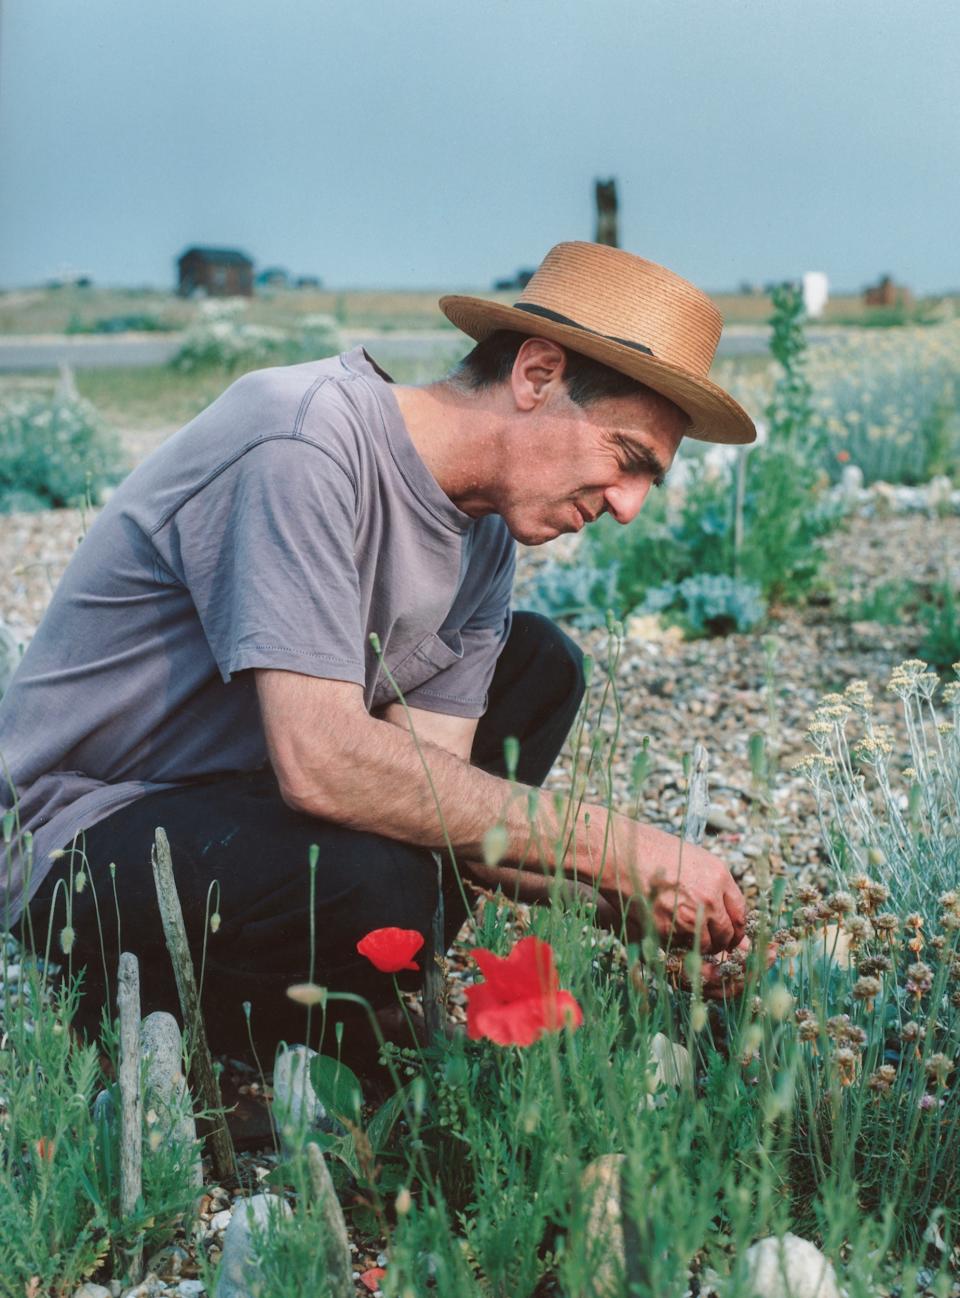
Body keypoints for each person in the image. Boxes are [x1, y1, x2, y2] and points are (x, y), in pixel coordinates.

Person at [0, 241, 756, 1061]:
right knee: (377, 882)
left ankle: (329, 1004)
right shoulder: (302, 438)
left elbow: (440, 810)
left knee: (539, 667)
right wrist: (612, 845)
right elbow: (322, 761)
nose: (630, 505)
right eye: (627, 458)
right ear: (536, 374)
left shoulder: (483, 540)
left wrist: (621, 899)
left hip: (241, 808)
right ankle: (192, 1022)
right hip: (77, 833)